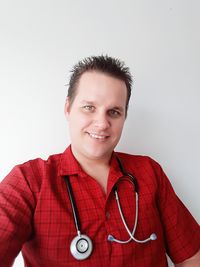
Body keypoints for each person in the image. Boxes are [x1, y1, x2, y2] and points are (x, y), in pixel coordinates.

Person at [0, 55, 199, 267]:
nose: (102, 123)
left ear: (124, 117)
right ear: (68, 108)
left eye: (114, 112)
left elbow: (191, 257)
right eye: (89, 107)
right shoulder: (29, 182)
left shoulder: (149, 173)